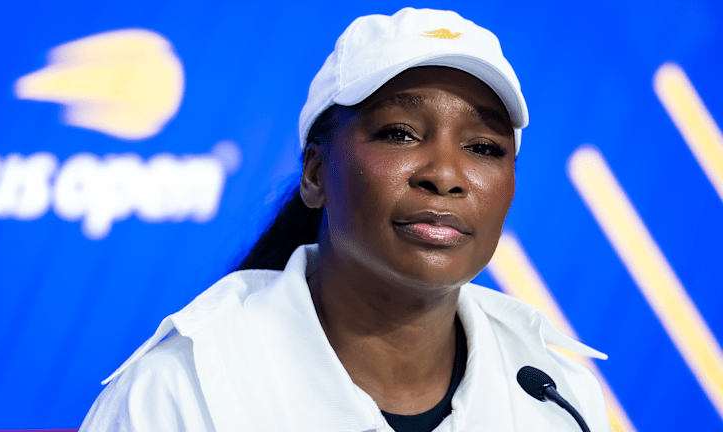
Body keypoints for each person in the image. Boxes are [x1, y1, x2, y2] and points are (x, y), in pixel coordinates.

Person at [80, 7, 612, 432]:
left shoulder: (557, 397)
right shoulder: (184, 389)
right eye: (400, 133)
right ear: (315, 173)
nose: (446, 175)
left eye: (482, 146)